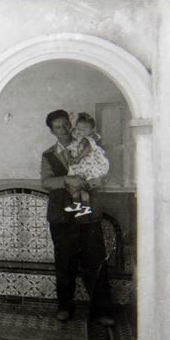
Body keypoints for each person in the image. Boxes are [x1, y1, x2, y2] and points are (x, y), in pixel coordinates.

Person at [41, 109, 115, 326]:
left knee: (95, 260)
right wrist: (67, 179)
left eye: (65, 125)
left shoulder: (88, 146)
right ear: (52, 131)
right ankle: (64, 307)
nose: (63, 130)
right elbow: (45, 182)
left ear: (71, 125)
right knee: (65, 262)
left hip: (88, 214)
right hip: (62, 216)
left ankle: (102, 311)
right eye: (57, 127)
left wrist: (99, 181)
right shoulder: (48, 155)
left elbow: (104, 173)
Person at [63, 113, 110, 218]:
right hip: (80, 167)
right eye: (78, 128)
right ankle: (78, 205)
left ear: (91, 131)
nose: (80, 131)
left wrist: (78, 158)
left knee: (82, 187)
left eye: (84, 129)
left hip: (88, 165)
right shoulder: (78, 137)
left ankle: (85, 207)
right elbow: (71, 133)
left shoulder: (88, 140)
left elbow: (87, 150)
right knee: (75, 186)